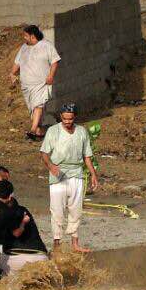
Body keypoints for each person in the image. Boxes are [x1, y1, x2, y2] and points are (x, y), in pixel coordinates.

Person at [40, 103, 100, 254]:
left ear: (75, 117)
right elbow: (44, 154)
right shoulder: (53, 131)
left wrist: (93, 174)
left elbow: (87, 156)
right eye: (65, 119)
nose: (67, 122)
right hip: (58, 174)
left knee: (76, 210)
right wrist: (51, 166)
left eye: (70, 119)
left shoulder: (81, 132)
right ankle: (57, 244)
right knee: (57, 211)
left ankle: (75, 243)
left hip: (77, 173)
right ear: (61, 117)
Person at [10, 25, 61, 141]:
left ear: (32, 36)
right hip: (26, 85)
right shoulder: (24, 48)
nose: (24, 38)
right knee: (33, 108)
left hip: (41, 83)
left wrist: (51, 76)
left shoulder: (46, 45)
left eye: (25, 36)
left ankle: (33, 129)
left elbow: (55, 61)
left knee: (38, 105)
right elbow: (17, 62)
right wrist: (12, 73)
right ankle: (39, 132)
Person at [0, 182, 50, 276]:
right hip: (39, 257)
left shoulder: (0, 214)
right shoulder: (23, 210)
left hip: (14, 259)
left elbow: (16, 233)